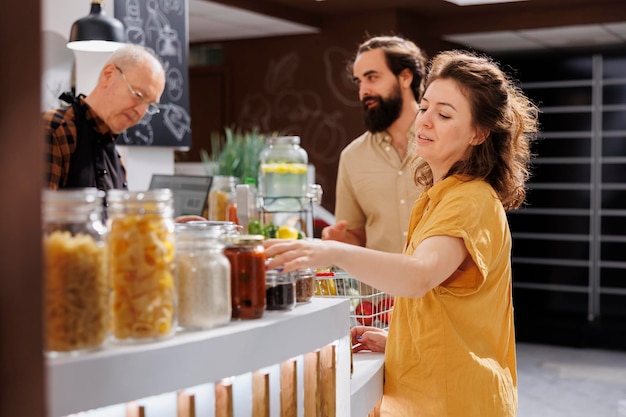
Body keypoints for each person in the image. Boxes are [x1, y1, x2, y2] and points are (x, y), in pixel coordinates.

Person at [265, 49, 540, 416]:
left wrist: (332, 252)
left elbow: (418, 277)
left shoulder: (470, 199)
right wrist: (398, 341)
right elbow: (442, 310)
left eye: (444, 115)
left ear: (478, 133)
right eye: (425, 108)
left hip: (457, 402)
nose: (424, 122)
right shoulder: (438, 196)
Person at [321, 35, 427, 254]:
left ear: (405, 77)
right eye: (359, 81)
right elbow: (356, 236)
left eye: (372, 77)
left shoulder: (446, 142)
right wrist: (340, 240)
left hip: (442, 287)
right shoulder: (352, 157)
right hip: (381, 289)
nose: (363, 91)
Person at [43, 44, 166, 192]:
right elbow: (31, 213)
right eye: (138, 95)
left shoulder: (116, 159)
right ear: (109, 75)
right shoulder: (54, 129)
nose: (141, 111)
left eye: (149, 105)